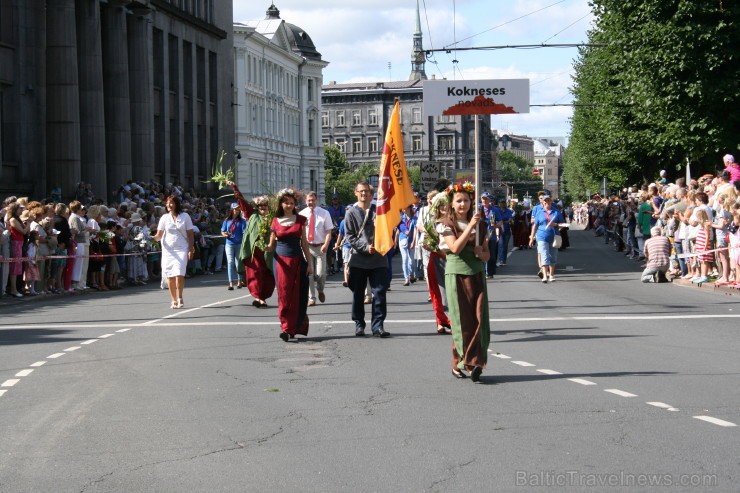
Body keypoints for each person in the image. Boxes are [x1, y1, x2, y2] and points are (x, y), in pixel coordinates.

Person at [437, 183, 490, 382]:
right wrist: (470, 226)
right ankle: (464, 362)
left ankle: (472, 361)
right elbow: (455, 248)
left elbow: (487, 255)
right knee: (462, 322)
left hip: (476, 275)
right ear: (452, 203)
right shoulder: (445, 224)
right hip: (457, 275)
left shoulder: (481, 225)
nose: (463, 204)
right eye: (459, 201)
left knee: (479, 320)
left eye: (466, 200)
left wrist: (481, 253)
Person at [344, 181, 390, 338]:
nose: (364, 194)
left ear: (372, 195)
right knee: (358, 294)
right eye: (361, 191)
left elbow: (389, 231)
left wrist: (382, 226)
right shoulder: (351, 212)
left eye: (367, 192)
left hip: (378, 260)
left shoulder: (380, 211)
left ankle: (378, 326)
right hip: (359, 260)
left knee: (379, 293)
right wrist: (365, 247)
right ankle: (359, 324)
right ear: (356, 193)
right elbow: (349, 236)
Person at [266, 188, 313, 341]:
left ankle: (294, 327)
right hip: (281, 262)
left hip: (298, 260)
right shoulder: (274, 221)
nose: (289, 205)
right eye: (286, 202)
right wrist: (263, 246)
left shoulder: (300, 220)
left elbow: (304, 243)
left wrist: (310, 263)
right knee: (284, 294)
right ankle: (285, 327)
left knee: (298, 295)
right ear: (281, 203)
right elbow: (271, 245)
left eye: (291, 203)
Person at [229, 181, 275, 308]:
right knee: (255, 273)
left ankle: (262, 296)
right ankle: (259, 297)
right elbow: (242, 201)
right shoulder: (252, 215)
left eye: (265, 206)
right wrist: (234, 187)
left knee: (266, 274)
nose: (262, 208)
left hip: (267, 251)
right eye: (260, 206)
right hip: (253, 251)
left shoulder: (272, 217)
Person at [153, 195, 195, 309]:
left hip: (182, 248)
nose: (168, 205)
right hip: (168, 251)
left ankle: (180, 297)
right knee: (170, 276)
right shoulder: (164, 218)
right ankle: (173, 300)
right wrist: (150, 238)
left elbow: (190, 234)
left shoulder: (185, 216)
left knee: (179, 274)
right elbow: (159, 235)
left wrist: (191, 249)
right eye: (167, 203)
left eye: (171, 203)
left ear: (176, 204)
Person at [299, 191, 333, 306]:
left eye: (313, 200)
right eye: (309, 200)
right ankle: (311, 298)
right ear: (305, 201)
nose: (311, 202)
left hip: (320, 247)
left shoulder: (324, 213)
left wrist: (326, 244)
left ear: (316, 201)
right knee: (309, 274)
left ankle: (320, 289)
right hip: (307, 247)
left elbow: (329, 231)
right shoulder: (302, 214)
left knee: (321, 274)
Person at [529, 195, 566, 283]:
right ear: (543, 203)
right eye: (545, 202)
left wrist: (556, 225)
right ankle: (545, 276)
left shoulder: (556, 212)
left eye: (549, 201)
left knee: (553, 256)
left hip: (554, 236)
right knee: (544, 255)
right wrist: (531, 238)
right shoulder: (539, 213)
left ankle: (552, 275)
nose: (547, 203)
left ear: (551, 202)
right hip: (542, 236)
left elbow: (563, 224)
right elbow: (535, 226)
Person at [221, 202, 247, 290]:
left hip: (239, 244)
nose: (236, 211)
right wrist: (224, 234)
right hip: (229, 244)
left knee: (238, 263)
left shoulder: (242, 221)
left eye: (238, 209)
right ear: (232, 210)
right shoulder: (226, 220)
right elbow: (222, 231)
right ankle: (231, 283)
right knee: (230, 262)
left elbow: (244, 232)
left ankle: (239, 281)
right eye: (235, 209)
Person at [480, 192, 502, 279]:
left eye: (486, 199)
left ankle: (490, 272)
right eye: (483, 198)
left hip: (491, 235)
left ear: (489, 200)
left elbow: (500, 221)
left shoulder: (494, 210)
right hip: (480, 236)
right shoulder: (478, 209)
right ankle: (482, 272)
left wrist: (495, 226)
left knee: (491, 255)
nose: (484, 200)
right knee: (480, 254)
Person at [397, 204, 417, 286]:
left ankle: (411, 274)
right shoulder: (401, 218)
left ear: (409, 208)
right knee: (404, 259)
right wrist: (405, 231)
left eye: (405, 207)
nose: (403, 209)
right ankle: (406, 278)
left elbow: (416, 230)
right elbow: (400, 227)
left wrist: (414, 241)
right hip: (403, 240)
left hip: (411, 240)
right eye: (402, 208)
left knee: (411, 261)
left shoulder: (414, 218)